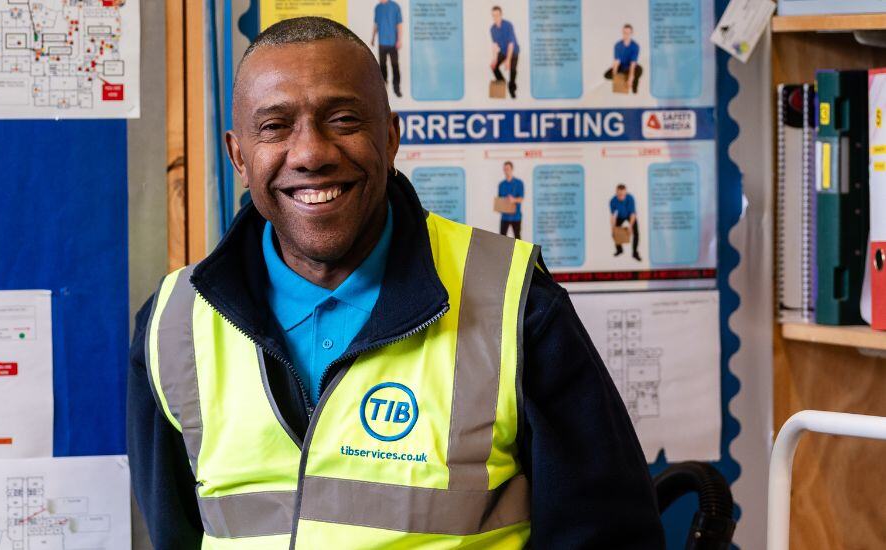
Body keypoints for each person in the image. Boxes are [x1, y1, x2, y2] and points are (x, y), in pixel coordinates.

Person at [127, 16, 664, 549]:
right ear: (239, 155)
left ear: (390, 135)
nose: (311, 153)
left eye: (342, 120)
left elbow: (608, 536)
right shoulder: (173, 325)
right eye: (274, 126)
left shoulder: (517, 304)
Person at [370, 0, 403, 98]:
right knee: (382, 67)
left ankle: (396, 89)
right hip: (382, 43)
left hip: (393, 43)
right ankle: (384, 89)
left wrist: (399, 40)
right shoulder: (377, 8)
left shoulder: (395, 6)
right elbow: (376, 24)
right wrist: (373, 38)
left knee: (395, 66)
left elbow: (399, 25)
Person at [490, 6, 519, 98]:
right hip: (503, 51)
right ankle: (502, 83)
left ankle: (512, 88)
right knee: (494, 67)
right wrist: (494, 59)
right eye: (493, 16)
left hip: (513, 51)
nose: (496, 18)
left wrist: (508, 60)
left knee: (513, 70)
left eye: (497, 15)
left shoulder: (508, 25)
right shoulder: (492, 29)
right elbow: (495, 45)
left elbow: (511, 44)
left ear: (501, 15)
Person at [604, 23, 642, 94]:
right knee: (606, 75)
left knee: (639, 70)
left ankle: (634, 89)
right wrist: (615, 76)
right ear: (622, 33)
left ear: (631, 34)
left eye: (628, 33)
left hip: (629, 67)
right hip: (621, 67)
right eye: (625, 33)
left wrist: (631, 77)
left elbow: (633, 63)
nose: (626, 35)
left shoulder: (635, 46)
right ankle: (624, 77)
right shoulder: (617, 45)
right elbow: (616, 61)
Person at [610, 183, 641, 261]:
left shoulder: (630, 198)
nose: (621, 197)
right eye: (619, 195)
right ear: (616, 193)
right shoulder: (613, 201)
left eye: (623, 195)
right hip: (620, 216)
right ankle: (619, 250)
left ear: (626, 193)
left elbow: (633, 214)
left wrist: (630, 226)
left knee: (636, 233)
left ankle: (634, 253)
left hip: (629, 215)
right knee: (614, 233)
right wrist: (613, 228)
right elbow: (613, 216)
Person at [497, 160, 524, 238]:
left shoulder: (519, 183)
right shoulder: (501, 184)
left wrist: (513, 200)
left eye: (508, 169)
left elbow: (521, 199)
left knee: (517, 238)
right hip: (504, 216)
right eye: (504, 169)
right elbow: (499, 200)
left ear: (512, 169)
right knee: (502, 238)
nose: (506, 171)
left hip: (516, 216)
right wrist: (499, 206)